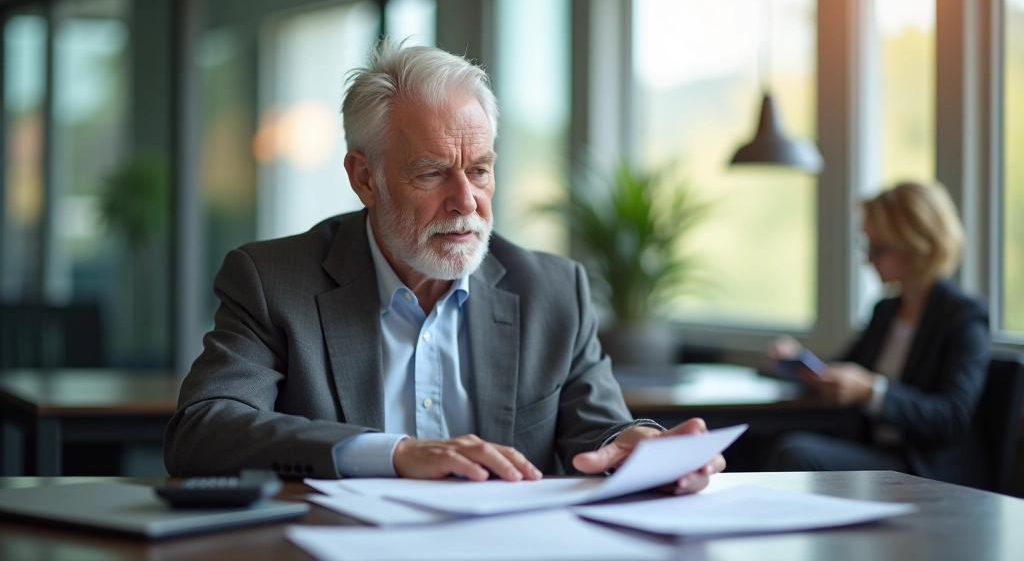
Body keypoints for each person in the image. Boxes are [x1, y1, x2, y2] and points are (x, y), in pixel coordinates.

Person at [164, 39, 724, 492]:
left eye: (479, 170)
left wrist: (639, 445)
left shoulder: (553, 290)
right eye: (432, 173)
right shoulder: (273, 282)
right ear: (364, 178)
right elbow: (203, 430)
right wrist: (396, 454)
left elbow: (598, 431)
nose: (465, 201)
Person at [765, 182, 990, 487]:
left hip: (923, 468)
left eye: (879, 248)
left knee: (797, 453)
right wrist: (801, 364)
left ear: (918, 246)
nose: (867, 259)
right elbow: (842, 369)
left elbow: (952, 416)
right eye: (867, 245)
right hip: (877, 452)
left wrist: (873, 392)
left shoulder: (962, 315)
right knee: (781, 444)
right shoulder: (886, 311)